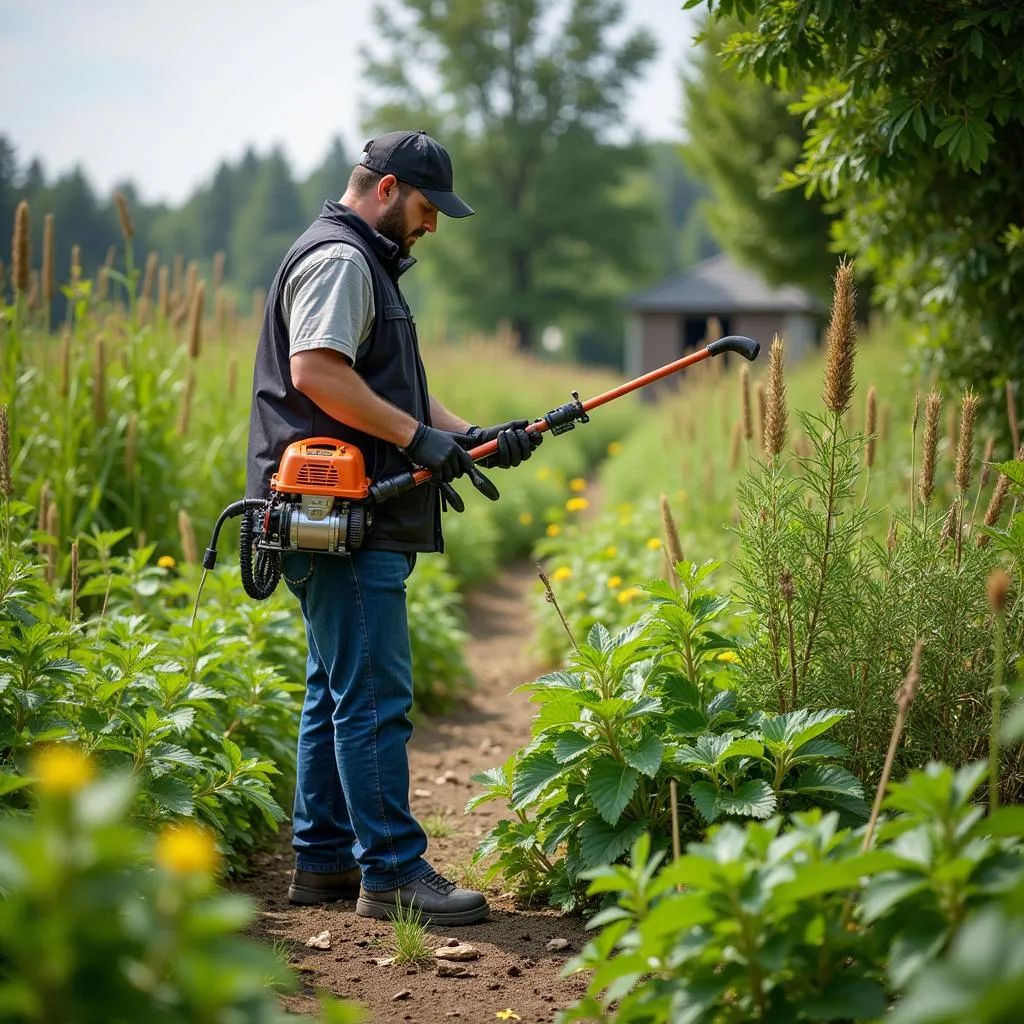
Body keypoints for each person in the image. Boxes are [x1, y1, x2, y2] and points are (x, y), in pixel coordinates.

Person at [245, 130, 541, 927]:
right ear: (384, 189)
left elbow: (394, 387)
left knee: (335, 690)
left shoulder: (364, 261)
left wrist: (472, 435)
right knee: (372, 696)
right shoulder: (343, 260)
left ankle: (327, 861)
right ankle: (394, 873)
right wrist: (418, 441)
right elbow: (317, 371)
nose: (433, 225)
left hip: (338, 514)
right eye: (425, 206)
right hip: (338, 513)